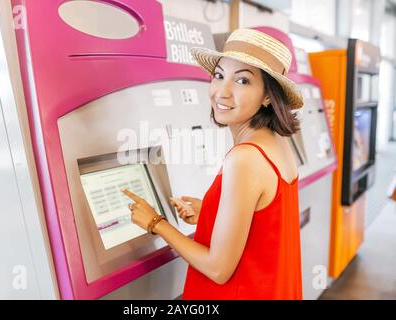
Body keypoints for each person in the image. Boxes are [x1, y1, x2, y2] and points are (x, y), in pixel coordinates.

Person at [122, 28, 304, 300]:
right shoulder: (278, 144)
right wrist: (210, 211)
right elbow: (262, 225)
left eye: (242, 81)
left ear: (268, 95)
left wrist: (156, 222)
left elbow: (218, 269)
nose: (223, 92)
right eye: (219, 76)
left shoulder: (245, 157)